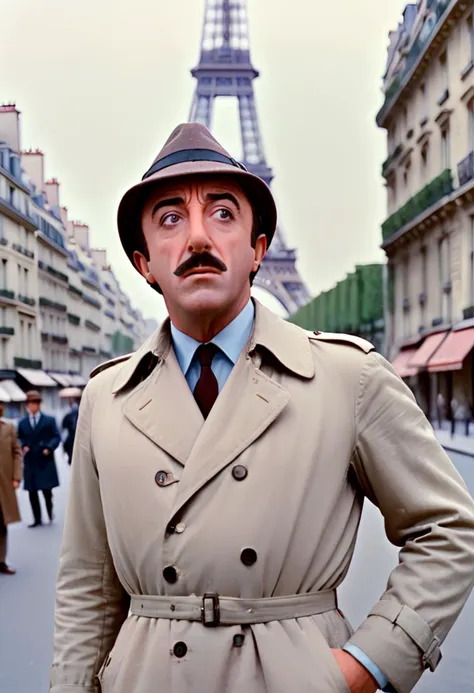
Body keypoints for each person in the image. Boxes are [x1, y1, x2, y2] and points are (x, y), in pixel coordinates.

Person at [50, 124, 474, 693]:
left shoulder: (348, 377)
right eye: (170, 218)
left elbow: (448, 527)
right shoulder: (106, 398)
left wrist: (365, 665)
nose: (198, 236)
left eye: (223, 213)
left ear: (258, 249)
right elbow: (88, 586)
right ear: (144, 261)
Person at [18, 391, 61, 527]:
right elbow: (19, 437)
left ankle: (49, 510)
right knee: (32, 491)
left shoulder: (49, 420)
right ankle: (37, 519)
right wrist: (23, 445)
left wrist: (49, 447)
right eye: (31, 404)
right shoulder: (22, 422)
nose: (34, 406)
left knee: (46, 490)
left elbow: (56, 436)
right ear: (27, 406)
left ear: (39, 405)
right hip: (30, 460)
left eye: (36, 404)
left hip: (44, 459)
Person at [0, 399, 22, 575]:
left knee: (2, 523)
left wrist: (16, 477)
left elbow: (17, 452)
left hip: (4, 485)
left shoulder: (8, 428)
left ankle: (1, 561)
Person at [61, 392, 82, 465]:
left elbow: (64, 425)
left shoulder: (75, 411)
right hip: (72, 438)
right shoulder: (70, 412)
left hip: (76, 437)